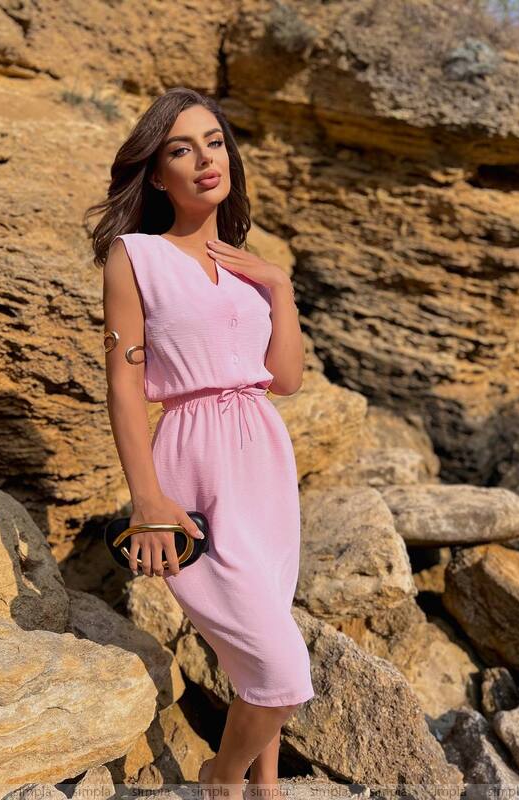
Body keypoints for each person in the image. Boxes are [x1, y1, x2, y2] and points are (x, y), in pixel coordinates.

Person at [86, 86, 315, 799]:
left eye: (213, 142)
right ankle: (223, 780)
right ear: (158, 174)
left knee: (266, 635)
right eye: (181, 149)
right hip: (194, 459)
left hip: (265, 458)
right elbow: (124, 386)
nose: (203, 158)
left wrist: (279, 288)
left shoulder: (249, 263)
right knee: (281, 673)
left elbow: (285, 379)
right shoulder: (134, 257)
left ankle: (264, 788)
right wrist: (147, 498)